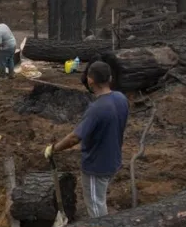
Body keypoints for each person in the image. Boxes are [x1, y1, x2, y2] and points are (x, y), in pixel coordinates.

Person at [43, 61, 129, 217]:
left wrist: (54, 148)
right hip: (114, 160)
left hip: (96, 167)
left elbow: (74, 138)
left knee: (95, 205)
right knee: (100, 197)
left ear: (90, 81)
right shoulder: (121, 98)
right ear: (109, 78)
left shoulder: (97, 109)